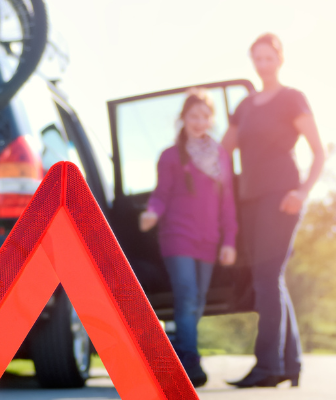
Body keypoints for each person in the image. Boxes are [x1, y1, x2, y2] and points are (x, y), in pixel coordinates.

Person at [222, 33, 327, 388]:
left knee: (267, 279)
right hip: (250, 203)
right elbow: (223, 151)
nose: (263, 64)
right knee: (271, 280)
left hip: (281, 200)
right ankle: (289, 365)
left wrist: (301, 192)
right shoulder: (246, 106)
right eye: (257, 58)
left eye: (268, 58)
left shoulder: (292, 99)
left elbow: (319, 152)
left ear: (279, 60)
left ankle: (267, 366)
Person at [139, 88, 238, 388]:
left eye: (204, 116)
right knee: (186, 295)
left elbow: (227, 202)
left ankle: (179, 352)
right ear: (183, 118)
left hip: (208, 240)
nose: (199, 121)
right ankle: (190, 361)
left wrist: (229, 240)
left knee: (197, 302)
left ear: (211, 120)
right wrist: (151, 212)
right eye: (193, 116)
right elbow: (161, 194)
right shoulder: (170, 156)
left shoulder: (220, 156)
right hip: (177, 236)